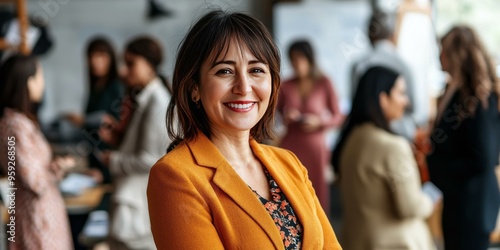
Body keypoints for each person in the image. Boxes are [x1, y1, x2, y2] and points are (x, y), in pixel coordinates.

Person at [147, 10, 342, 249]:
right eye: (225, 71)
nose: (244, 86)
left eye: (256, 70)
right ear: (194, 87)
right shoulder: (176, 176)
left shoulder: (289, 163)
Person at [332, 66, 435, 250]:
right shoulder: (393, 147)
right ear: (383, 98)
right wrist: (430, 198)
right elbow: (409, 206)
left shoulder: (351, 139)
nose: (406, 101)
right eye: (401, 93)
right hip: (398, 244)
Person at [427, 25, 500, 250]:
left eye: (443, 50)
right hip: (458, 200)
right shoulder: (455, 90)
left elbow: (484, 157)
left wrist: (443, 169)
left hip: (472, 206)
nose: (439, 56)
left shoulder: (477, 97)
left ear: (456, 54)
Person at [98, 36, 171, 250]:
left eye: (131, 64)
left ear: (149, 65)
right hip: (133, 200)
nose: (123, 70)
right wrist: (118, 140)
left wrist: (113, 160)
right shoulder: (145, 97)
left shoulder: (157, 102)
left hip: (138, 206)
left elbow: (152, 160)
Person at [0, 55, 74, 250]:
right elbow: (35, 181)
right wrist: (59, 167)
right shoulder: (16, 126)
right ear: (27, 82)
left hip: (39, 215)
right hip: (37, 219)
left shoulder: (18, 122)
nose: (43, 83)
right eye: (39, 76)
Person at [277, 40, 344, 213]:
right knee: (290, 192)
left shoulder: (324, 82)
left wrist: (319, 122)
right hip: (291, 145)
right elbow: (271, 115)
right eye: (292, 60)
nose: (297, 64)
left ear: (310, 59)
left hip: (315, 148)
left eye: (300, 59)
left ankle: (321, 236)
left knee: (317, 194)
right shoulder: (285, 85)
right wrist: (286, 118)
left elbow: (338, 117)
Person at [65, 37, 124, 185]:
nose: (95, 61)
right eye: (91, 56)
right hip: (95, 162)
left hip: (111, 166)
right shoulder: (95, 88)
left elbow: (113, 128)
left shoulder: (116, 88)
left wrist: (81, 120)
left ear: (111, 58)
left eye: (101, 56)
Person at [350, 10, 417, 141]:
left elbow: (355, 104)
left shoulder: (358, 66)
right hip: (399, 135)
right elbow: (416, 108)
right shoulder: (405, 65)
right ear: (393, 35)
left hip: (365, 137)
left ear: (369, 35)